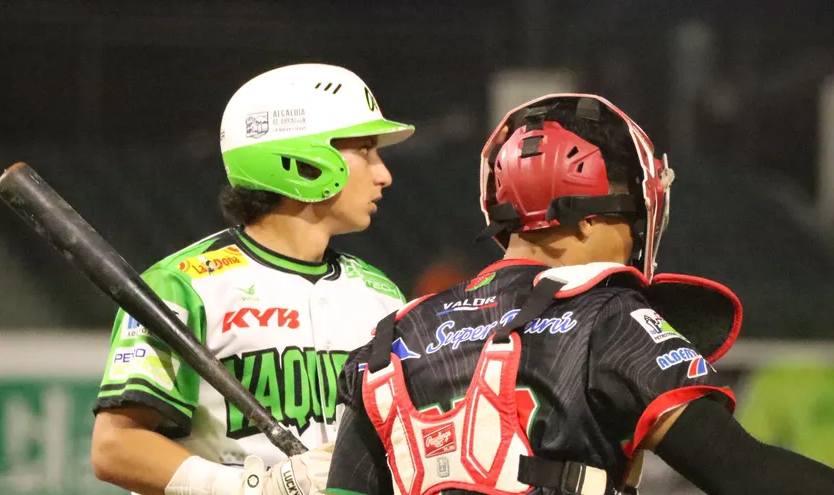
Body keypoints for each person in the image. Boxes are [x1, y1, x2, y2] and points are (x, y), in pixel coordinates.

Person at [325, 94, 834, 495]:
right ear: (588, 220)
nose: (635, 237)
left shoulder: (395, 334)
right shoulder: (607, 318)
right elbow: (741, 471)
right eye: (632, 219)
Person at [90, 63, 414, 495]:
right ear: (303, 160)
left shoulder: (382, 296)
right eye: (365, 150)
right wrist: (256, 488)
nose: (383, 174)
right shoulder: (184, 285)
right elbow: (115, 447)